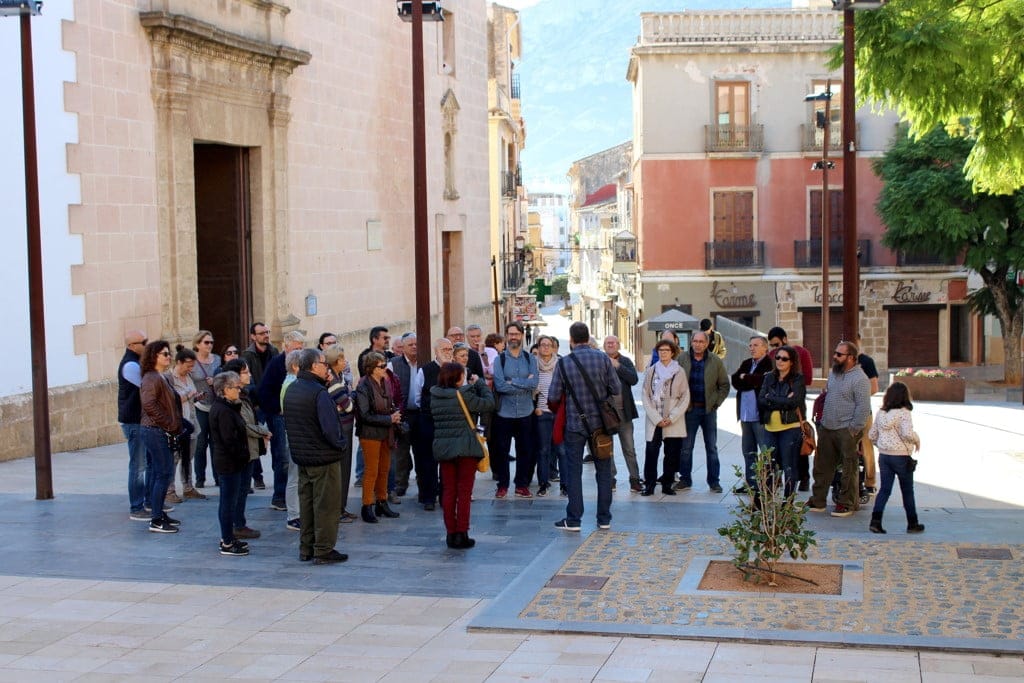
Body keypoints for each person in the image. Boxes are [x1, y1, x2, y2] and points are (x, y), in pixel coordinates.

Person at [547, 321, 619, 531]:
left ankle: (574, 519)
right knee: (604, 471)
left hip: (575, 424)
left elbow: (552, 395)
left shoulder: (564, 363)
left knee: (573, 471)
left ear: (571, 340)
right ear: (588, 338)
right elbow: (615, 388)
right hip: (602, 425)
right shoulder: (603, 358)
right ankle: (604, 518)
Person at [282, 348, 349, 565]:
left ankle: (306, 548)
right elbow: (330, 428)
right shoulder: (319, 393)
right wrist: (340, 446)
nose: (326, 367)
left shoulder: (292, 388)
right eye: (323, 363)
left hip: (303, 457)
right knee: (327, 506)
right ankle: (323, 550)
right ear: (313, 366)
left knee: (307, 505)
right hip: (323, 458)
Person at [430, 362, 494, 549]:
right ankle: (462, 533)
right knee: (464, 493)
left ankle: (451, 534)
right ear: (458, 378)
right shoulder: (464, 394)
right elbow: (489, 404)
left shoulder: (434, 395)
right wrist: (480, 384)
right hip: (466, 448)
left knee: (448, 491)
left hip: (444, 448)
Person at [808, 340, 872, 517]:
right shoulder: (834, 374)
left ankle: (846, 503)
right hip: (827, 427)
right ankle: (818, 500)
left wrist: (853, 429)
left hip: (846, 429)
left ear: (851, 358)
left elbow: (863, 407)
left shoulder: (860, 379)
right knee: (822, 466)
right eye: (835, 353)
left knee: (848, 469)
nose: (834, 357)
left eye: (839, 354)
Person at [676, 331, 730, 493]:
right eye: (695, 341)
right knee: (686, 447)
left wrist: (716, 403)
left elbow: (724, 385)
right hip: (689, 410)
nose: (698, 344)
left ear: (707, 344)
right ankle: (685, 479)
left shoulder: (715, 361)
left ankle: (714, 481)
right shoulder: (682, 359)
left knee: (711, 447)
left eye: (701, 341)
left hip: (708, 410)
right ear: (691, 342)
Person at [257, 330, 306, 511]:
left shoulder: (302, 364)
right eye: (296, 349)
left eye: (301, 348)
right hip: (279, 416)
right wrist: (277, 409)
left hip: (294, 416)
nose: (299, 352)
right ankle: (279, 496)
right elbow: (264, 391)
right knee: (282, 456)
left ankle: (292, 495)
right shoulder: (277, 364)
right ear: (286, 347)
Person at [222, 358, 271, 537]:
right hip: (242, 451)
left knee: (243, 489)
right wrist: (263, 431)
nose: (249, 375)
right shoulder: (235, 399)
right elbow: (243, 425)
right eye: (245, 372)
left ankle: (239, 523)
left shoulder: (244, 395)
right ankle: (237, 525)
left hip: (249, 450)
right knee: (238, 491)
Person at [867, 381, 924, 534]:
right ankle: (912, 523)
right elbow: (907, 433)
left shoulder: (881, 413)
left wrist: (881, 445)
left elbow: (871, 435)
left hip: (885, 456)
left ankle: (875, 521)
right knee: (907, 491)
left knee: (885, 490)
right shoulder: (904, 413)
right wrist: (917, 439)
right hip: (901, 457)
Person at [491, 321, 539, 499]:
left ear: (521, 336)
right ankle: (502, 485)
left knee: (525, 450)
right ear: (506, 336)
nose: (513, 337)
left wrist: (514, 381)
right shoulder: (500, 359)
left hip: (526, 412)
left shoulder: (530, 359)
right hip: (504, 413)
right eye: (510, 334)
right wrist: (523, 383)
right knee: (502, 451)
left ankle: (521, 484)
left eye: (516, 334)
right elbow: (500, 385)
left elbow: (534, 383)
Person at [139, 340, 183, 534]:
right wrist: (168, 423)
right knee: (163, 472)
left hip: (159, 429)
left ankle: (159, 512)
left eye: (169, 353)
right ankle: (156, 518)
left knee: (163, 472)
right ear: (153, 356)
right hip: (154, 430)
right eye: (164, 354)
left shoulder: (160, 377)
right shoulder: (151, 378)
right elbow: (148, 404)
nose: (168, 356)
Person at [354, 351, 402, 523]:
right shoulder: (363, 386)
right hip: (370, 434)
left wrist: (394, 414)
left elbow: (390, 403)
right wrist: (389, 418)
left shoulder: (385, 382)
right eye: (381, 366)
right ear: (371, 368)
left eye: (385, 364)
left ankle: (382, 502)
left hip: (386, 432)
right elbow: (364, 414)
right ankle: (367, 505)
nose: (385, 368)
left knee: (384, 469)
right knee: (371, 471)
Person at [209, 371, 252, 556]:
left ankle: (228, 537)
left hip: (231, 461)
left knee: (230, 501)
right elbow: (229, 440)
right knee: (227, 502)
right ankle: (227, 541)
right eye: (236, 387)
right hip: (229, 463)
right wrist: (242, 455)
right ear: (225, 390)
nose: (239, 389)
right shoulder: (223, 410)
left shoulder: (227, 407)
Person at [766, 326, 814, 491]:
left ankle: (805, 478)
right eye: (772, 346)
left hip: (795, 412)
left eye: (777, 344)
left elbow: (807, 379)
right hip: (775, 416)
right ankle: (779, 480)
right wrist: (780, 398)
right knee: (777, 454)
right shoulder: (772, 356)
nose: (775, 350)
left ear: (784, 339)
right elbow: (766, 389)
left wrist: (785, 392)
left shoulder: (802, 352)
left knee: (799, 447)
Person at [640, 339, 689, 496]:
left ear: (672, 352)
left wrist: (672, 417)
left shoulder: (679, 371)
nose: (663, 353)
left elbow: (685, 397)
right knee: (651, 453)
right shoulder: (652, 370)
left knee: (672, 454)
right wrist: (656, 418)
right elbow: (645, 394)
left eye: (666, 350)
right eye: (660, 350)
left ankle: (667, 484)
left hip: (672, 420)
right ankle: (649, 485)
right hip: (655, 419)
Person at [757, 345, 808, 497]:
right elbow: (761, 399)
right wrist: (783, 400)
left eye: (784, 359)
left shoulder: (798, 380)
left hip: (790, 428)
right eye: (777, 358)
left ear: (792, 362)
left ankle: (787, 501)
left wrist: (771, 399)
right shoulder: (769, 377)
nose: (780, 361)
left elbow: (794, 403)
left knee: (789, 466)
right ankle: (766, 500)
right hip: (770, 428)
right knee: (768, 465)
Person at [731, 336, 773, 492]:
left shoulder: (769, 363)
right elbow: (735, 380)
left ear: (764, 348)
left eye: (755, 345)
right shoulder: (747, 363)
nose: (752, 348)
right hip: (745, 415)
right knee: (748, 452)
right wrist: (748, 380)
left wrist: (746, 378)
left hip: (760, 416)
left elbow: (763, 381)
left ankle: (767, 484)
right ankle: (751, 484)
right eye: (750, 345)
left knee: (766, 452)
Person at [118, 330, 150, 521]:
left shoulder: (136, 362)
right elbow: (147, 386)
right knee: (138, 466)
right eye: (143, 342)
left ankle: (146, 501)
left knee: (143, 463)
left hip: (139, 421)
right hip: (133, 421)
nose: (146, 345)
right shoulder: (130, 365)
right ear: (132, 346)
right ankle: (136, 506)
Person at [166, 345, 205, 502]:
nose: (190, 369)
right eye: (188, 365)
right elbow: (171, 400)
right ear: (179, 362)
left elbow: (190, 397)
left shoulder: (188, 377)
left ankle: (188, 487)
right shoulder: (168, 378)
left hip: (191, 422)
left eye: (192, 366)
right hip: (177, 424)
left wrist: (196, 397)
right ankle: (169, 490)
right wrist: (189, 395)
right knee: (174, 458)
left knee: (188, 457)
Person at [324, 345, 358, 523]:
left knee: (345, 471)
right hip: (341, 430)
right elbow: (349, 405)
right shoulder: (332, 380)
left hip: (345, 426)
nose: (345, 362)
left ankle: (342, 508)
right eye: (343, 359)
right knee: (341, 471)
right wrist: (351, 396)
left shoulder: (338, 377)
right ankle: (338, 510)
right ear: (336, 361)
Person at [603, 335, 641, 492]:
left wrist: (617, 365)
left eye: (613, 342)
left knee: (629, 448)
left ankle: (635, 479)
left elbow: (634, 379)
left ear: (618, 345)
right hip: (605, 413)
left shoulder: (625, 361)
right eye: (607, 343)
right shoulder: (599, 360)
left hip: (624, 413)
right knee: (607, 449)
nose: (610, 344)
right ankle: (611, 478)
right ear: (604, 346)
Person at [387, 332, 419, 499]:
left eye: (416, 344)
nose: (414, 347)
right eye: (410, 344)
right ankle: (400, 484)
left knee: (422, 452)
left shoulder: (425, 362)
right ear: (403, 348)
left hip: (421, 415)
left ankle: (424, 484)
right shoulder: (393, 364)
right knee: (401, 453)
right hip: (402, 414)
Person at [189, 330, 222, 488]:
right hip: (199, 406)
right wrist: (194, 395)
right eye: (206, 342)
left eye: (211, 342)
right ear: (197, 344)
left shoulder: (217, 359)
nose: (209, 345)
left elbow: (223, 378)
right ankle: (200, 478)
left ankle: (218, 477)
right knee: (201, 443)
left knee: (216, 443)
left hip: (215, 405)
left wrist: (215, 380)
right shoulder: (192, 362)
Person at [532, 335, 560, 497]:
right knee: (543, 450)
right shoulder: (533, 365)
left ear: (553, 347)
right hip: (542, 413)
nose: (546, 348)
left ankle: (564, 484)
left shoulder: (559, 365)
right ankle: (543, 483)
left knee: (561, 450)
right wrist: (535, 407)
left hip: (558, 414)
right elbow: (531, 390)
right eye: (543, 345)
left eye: (549, 345)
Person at [855, 332, 881, 494]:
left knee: (866, 445)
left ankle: (870, 481)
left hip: (864, 410)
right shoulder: (841, 362)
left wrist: (857, 397)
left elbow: (874, 387)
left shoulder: (866, 362)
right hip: (844, 412)